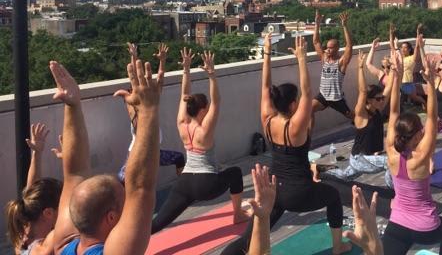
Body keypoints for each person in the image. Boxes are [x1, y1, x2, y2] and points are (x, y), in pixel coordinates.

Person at [221, 34, 351, 255]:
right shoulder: (295, 128)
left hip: (273, 191)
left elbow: (264, 86)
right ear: (293, 104)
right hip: (298, 193)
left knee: (247, 239)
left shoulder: (268, 120)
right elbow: (309, 93)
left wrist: (267, 53)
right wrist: (301, 59)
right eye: (297, 100)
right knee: (334, 197)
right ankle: (338, 246)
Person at [50, 55, 162, 255]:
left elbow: (75, 172)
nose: (128, 201)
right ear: (111, 218)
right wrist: (148, 110)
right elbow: (140, 189)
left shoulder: (62, 245)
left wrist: (73, 105)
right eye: (123, 201)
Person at [151, 48, 249, 233]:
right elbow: (217, 101)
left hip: (184, 183)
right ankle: (237, 214)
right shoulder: (204, 130)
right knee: (235, 173)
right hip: (206, 185)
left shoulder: (181, 123)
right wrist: (212, 75)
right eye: (207, 107)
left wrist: (186, 69)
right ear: (203, 110)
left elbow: (184, 95)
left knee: (157, 223)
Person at [382, 50, 442, 255]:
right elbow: (433, 116)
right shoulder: (422, 156)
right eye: (421, 129)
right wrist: (431, 82)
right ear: (417, 135)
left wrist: (395, 75)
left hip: (397, 226)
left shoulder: (391, 151)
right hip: (426, 229)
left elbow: (393, 112)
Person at [118, 43, 185, 183]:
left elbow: (159, 79)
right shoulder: (134, 108)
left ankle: (184, 187)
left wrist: (162, 60)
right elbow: (136, 78)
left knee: (179, 158)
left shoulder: (151, 102)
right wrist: (134, 56)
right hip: (139, 153)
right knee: (124, 179)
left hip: (154, 154)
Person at [324, 48, 392, 184]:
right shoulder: (361, 115)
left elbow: (390, 85)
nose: (382, 101)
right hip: (359, 159)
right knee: (391, 163)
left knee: (344, 176)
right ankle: (394, 190)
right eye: (378, 99)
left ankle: (321, 169)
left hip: (364, 159)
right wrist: (360, 68)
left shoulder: (378, 109)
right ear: (369, 100)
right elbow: (362, 91)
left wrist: (395, 69)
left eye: (381, 98)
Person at [5, 123, 62, 255]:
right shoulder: (48, 247)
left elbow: (33, 193)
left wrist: (37, 152)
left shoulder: (22, 238)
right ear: (48, 213)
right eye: (62, 204)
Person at [312, 10, 355, 119]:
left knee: (352, 117)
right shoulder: (324, 58)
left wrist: (344, 26)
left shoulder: (341, 63)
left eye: (331, 48)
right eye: (327, 47)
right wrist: (317, 24)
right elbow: (316, 42)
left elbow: (349, 46)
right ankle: (307, 135)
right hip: (323, 96)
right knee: (308, 110)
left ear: (337, 49)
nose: (328, 50)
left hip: (336, 98)